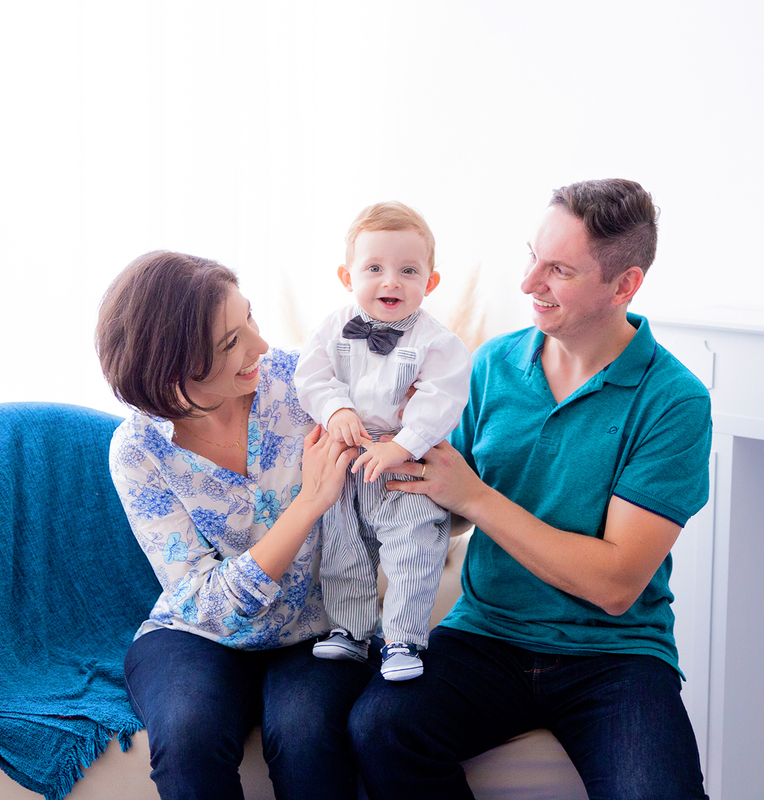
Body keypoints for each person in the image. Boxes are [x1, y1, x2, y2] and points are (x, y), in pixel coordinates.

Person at [349, 180, 713, 800]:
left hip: (615, 656)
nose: (527, 283)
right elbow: (444, 499)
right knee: (382, 726)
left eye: (559, 271)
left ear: (624, 285)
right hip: (486, 636)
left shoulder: (674, 401)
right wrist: (380, 448)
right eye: (531, 257)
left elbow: (616, 584)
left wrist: (474, 497)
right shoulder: (490, 365)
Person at [96, 250, 372, 800]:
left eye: (250, 319)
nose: (260, 347)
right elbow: (204, 603)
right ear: (172, 372)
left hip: (314, 626)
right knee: (187, 738)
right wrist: (307, 504)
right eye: (230, 343)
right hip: (196, 635)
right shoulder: (137, 450)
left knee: (306, 736)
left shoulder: (308, 387)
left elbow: (397, 494)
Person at [294, 201, 472, 681]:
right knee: (342, 549)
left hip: (405, 464)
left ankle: (402, 641)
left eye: (408, 270)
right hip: (347, 459)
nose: (390, 281)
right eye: (374, 268)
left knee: (413, 550)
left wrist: (404, 443)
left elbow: (443, 397)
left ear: (430, 282)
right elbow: (310, 377)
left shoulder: (439, 342)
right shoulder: (332, 329)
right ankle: (350, 632)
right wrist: (337, 408)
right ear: (346, 276)